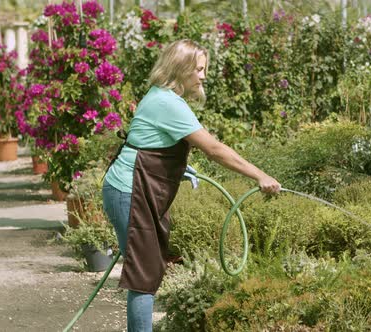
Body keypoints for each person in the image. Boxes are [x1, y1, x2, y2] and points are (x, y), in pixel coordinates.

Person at [102, 39, 281, 331]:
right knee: (144, 277)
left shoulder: (161, 97)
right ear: (180, 67)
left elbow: (148, 143)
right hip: (130, 191)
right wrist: (260, 175)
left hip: (130, 188)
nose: (203, 75)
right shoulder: (168, 103)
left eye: (204, 69)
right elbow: (214, 148)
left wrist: (179, 168)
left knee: (145, 272)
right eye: (198, 69)